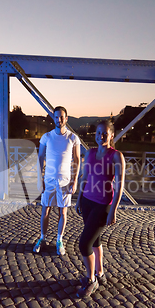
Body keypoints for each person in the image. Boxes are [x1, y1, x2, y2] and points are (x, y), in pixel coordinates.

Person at [75, 120, 125, 298]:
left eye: (105, 133)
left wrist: (113, 210)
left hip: (103, 205)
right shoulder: (90, 153)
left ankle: (91, 280)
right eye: (98, 133)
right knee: (95, 240)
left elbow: (119, 186)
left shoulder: (116, 156)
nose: (101, 136)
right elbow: (85, 177)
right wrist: (79, 199)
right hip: (87, 201)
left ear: (111, 135)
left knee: (84, 244)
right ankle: (100, 273)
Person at [34, 106, 81, 256]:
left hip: (65, 181)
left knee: (63, 212)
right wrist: (39, 178)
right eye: (56, 117)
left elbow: (77, 160)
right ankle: (42, 238)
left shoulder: (73, 138)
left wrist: (75, 181)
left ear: (66, 118)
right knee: (45, 210)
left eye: (61, 117)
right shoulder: (46, 137)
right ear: (53, 118)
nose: (59, 119)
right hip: (48, 180)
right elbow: (40, 158)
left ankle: (59, 240)